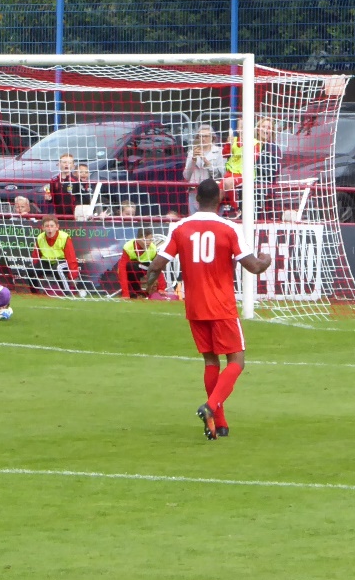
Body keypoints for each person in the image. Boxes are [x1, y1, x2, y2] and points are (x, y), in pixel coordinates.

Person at [142, 178, 273, 440]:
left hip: (195, 306)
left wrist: (148, 285)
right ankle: (210, 407)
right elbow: (254, 267)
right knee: (237, 361)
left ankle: (220, 425)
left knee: (211, 360)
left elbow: (156, 264)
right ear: (220, 199)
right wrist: (266, 259)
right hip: (221, 306)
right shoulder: (229, 228)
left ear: (197, 199)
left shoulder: (180, 227)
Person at [222, 116, 281, 216]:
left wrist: (252, 169)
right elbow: (231, 160)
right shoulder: (248, 143)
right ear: (257, 129)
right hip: (242, 185)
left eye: (269, 128)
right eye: (264, 127)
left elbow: (272, 172)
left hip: (261, 189)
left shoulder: (272, 148)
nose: (266, 130)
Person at [29, 214, 80, 295]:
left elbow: (71, 257)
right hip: (47, 262)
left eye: (52, 226)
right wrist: (36, 269)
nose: (49, 229)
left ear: (57, 227)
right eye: (47, 226)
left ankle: (66, 292)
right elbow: (36, 256)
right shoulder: (40, 237)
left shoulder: (64, 237)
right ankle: (35, 293)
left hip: (62, 261)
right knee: (31, 270)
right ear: (43, 228)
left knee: (57, 268)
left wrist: (73, 276)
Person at [182, 125, 225, 214]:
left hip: (212, 194)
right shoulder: (192, 152)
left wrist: (205, 160)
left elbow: (220, 175)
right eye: (200, 136)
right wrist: (193, 160)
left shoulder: (220, 152)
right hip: (195, 193)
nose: (203, 139)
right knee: (195, 220)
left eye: (206, 136)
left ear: (212, 137)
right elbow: (186, 176)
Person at [116, 227, 167, 298]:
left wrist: (161, 288)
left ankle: (141, 293)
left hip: (147, 269)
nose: (148, 242)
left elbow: (158, 268)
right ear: (138, 239)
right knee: (127, 267)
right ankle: (134, 293)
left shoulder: (153, 248)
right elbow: (122, 270)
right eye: (145, 239)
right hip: (134, 270)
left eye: (150, 240)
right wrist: (125, 294)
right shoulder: (128, 247)